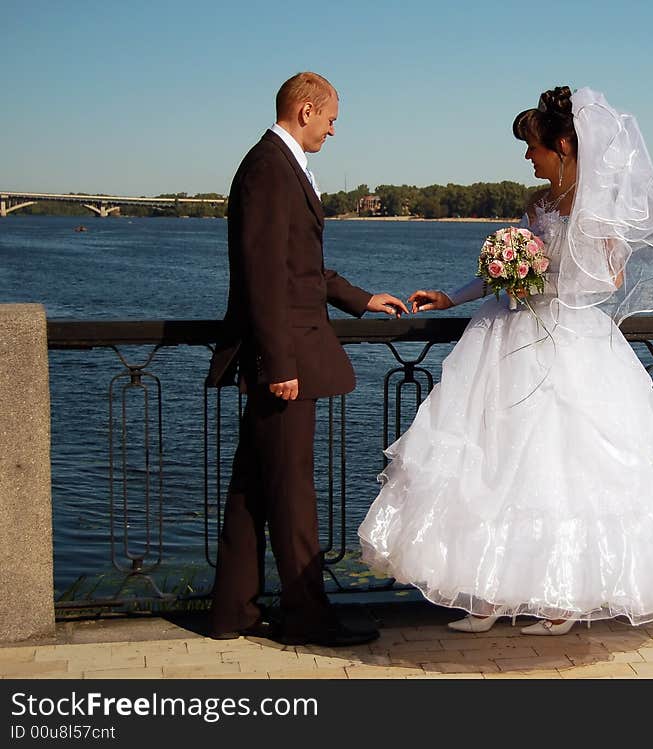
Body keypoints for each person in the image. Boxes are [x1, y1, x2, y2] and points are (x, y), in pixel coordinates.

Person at [358, 85, 653, 635]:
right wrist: (454, 296)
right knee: (492, 464)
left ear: (563, 144)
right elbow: (501, 279)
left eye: (532, 146)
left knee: (565, 471)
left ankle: (562, 603)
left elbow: (611, 279)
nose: (526, 156)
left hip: (572, 341)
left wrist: (552, 270)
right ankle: (485, 596)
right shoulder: (535, 204)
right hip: (510, 337)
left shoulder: (598, 207)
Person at [207, 72, 407, 647]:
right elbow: (263, 274)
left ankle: (232, 611)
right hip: (285, 359)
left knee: (251, 487)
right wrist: (280, 364)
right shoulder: (271, 167)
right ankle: (307, 618)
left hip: (285, 350)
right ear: (305, 109)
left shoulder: (274, 164)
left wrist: (360, 299)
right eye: (330, 118)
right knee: (293, 492)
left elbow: (299, 268)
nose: (333, 129)